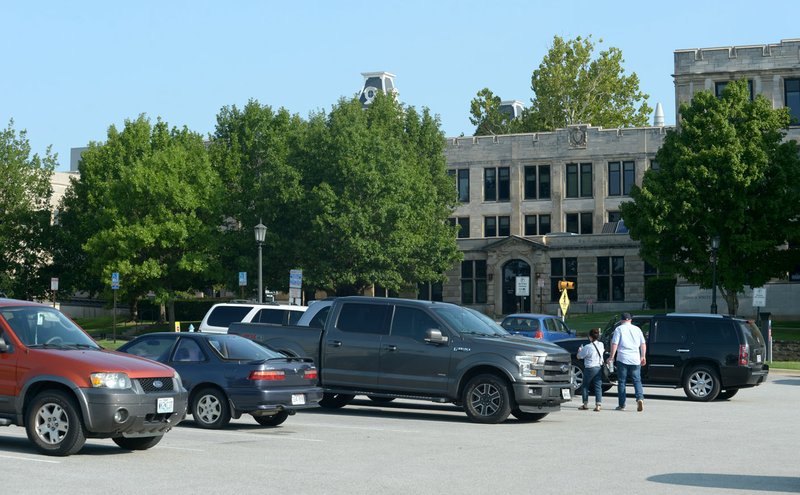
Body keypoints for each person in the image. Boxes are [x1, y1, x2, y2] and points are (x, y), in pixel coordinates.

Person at [607, 312, 646, 412]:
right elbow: (643, 344)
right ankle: (640, 399)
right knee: (637, 380)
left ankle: (622, 404)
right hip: (635, 358)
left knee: (622, 382)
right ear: (630, 320)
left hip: (623, 358)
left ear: (621, 320)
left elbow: (615, 344)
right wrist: (643, 356)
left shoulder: (619, 329)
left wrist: (611, 356)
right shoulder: (637, 329)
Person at [576, 327, 604, 411]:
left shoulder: (587, 347)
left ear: (590, 337)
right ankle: (598, 405)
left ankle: (585, 404)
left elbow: (579, 356)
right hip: (598, 367)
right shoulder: (601, 344)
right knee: (598, 386)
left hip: (589, 368)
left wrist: (579, 350)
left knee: (585, 386)